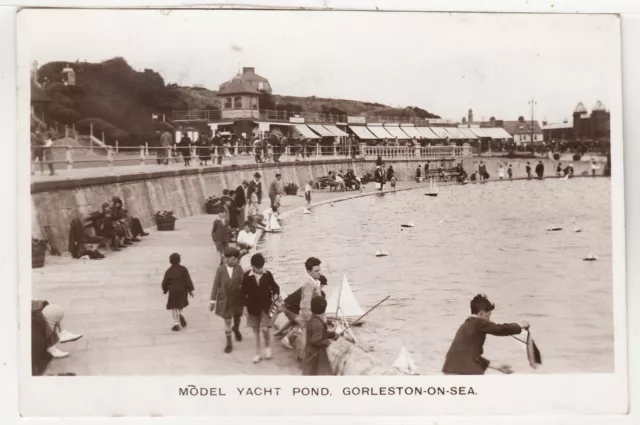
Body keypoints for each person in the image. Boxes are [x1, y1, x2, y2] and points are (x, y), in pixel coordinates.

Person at [442, 294, 529, 375]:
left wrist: (497, 367)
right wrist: (519, 325)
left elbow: (470, 356)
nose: (489, 319)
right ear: (481, 313)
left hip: (449, 369)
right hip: (464, 371)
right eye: (488, 315)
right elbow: (499, 329)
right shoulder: (478, 322)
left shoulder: (466, 325)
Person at [241, 253, 280, 363]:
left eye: (261, 267)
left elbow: (275, 287)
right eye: (258, 267)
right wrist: (244, 307)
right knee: (256, 330)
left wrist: (276, 295)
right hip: (252, 307)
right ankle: (257, 352)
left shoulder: (268, 275)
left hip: (265, 306)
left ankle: (267, 346)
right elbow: (243, 292)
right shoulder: (247, 276)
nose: (260, 269)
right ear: (252, 266)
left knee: (265, 329)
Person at [277, 275, 328, 349]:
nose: (321, 288)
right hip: (290, 309)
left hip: (287, 306)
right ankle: (286, 339)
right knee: (303, 323)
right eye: (322, 286)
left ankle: (279, 332)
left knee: (294, 320)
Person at [210, 247, 245, 353]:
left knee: (237, 316)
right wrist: (212, 301)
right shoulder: (220, 270)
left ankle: (236, 329)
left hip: (237, 299)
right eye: (233, 259)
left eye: (237, 259)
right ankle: (229, 342)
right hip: (225, 300)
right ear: (226, 259)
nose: (235, 261)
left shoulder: (239, 269)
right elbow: (216, 285)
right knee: (228, 320)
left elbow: (243, 284)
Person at [294, 257, 324, 359]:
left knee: (305, 338)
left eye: (319, 270)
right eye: (316, 271)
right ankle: (302, 360)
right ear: (308, 271)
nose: (319, 273)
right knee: (304, 338)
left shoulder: (315, 281)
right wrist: (312, 319)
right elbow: (306, 304)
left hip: (309, 316)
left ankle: (302, 357)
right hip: (307, 317)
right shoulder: (309, 283)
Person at [302, 295, 338, 376]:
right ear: (324, 310)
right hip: (315, 355)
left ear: (311, 309)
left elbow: (320, 334)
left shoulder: (313, 320)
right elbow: (316, 340)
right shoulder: (318, 324)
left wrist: (333, 334)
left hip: (310, 352)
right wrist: (328, 342)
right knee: (315, 373)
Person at [161, 253, 195, 331]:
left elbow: (164, 282)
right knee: (180, 303)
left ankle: (176, 323)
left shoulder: (168, 271)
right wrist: (190, 290)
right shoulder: (183, 269)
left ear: (170, 261)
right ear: (179, 260)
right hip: (182, 290)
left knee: (173, 306)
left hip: (173, 290)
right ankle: (181, 313)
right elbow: (187, 280)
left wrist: (165, 290)